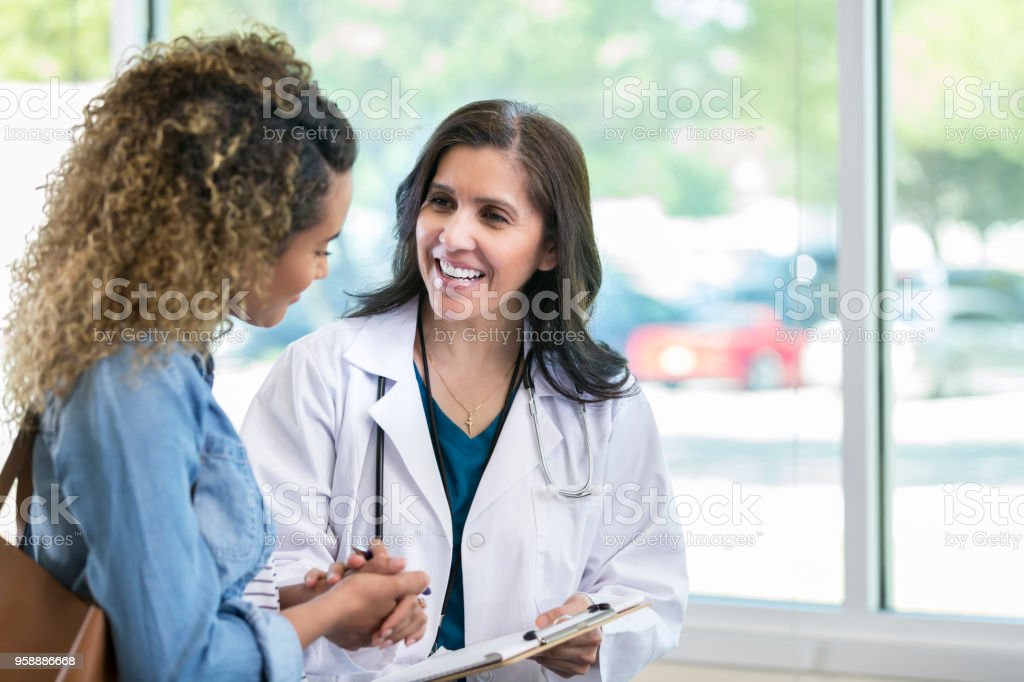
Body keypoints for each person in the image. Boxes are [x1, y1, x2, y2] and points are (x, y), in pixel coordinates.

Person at [3, 29, 430, 681]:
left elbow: (152, 609)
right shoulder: (132, 384)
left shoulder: (155, 356)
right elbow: (178, 667)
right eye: (321, 246)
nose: (321, 272)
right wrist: (332, 607)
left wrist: (311, 606)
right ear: (244, 235)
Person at [243, 99, 687, 680]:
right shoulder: (321, 373)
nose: (453, 236)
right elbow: (257, 574)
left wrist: (596, 629)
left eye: (494, 216)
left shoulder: (602, 398)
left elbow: (649, 584)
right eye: (442, 202)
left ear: (550, 247)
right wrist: (332, 603)